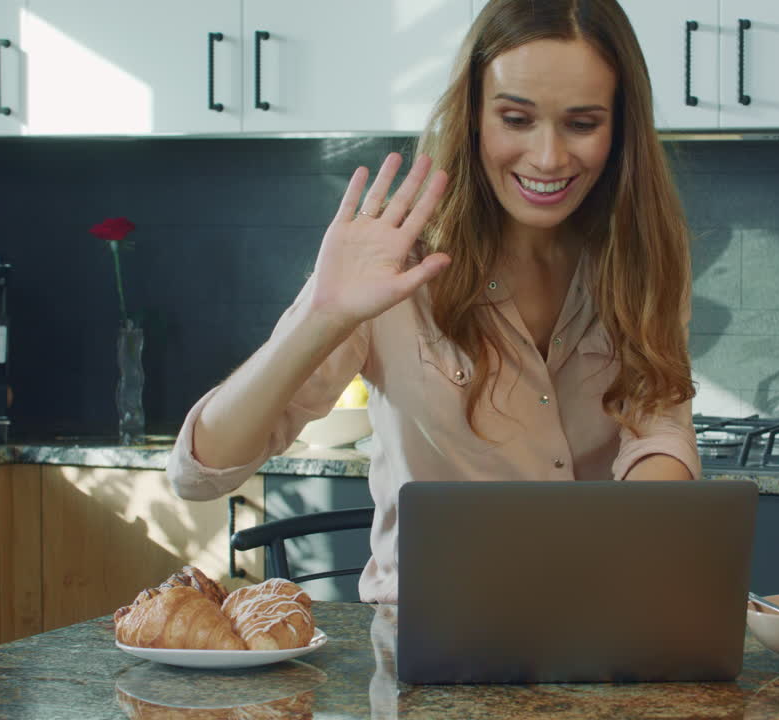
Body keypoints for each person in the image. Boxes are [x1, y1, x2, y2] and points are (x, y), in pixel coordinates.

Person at [167, 0, 701, 604]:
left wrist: (634, 552)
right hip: (427, 649)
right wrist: (321, 314)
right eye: (516, 119)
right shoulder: (395, 260)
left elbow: (657, 428)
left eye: (582, 123)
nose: (549, 157)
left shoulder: (645, 254)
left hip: (603, 624)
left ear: (620, 128)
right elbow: (201, 473)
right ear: (473, 116)